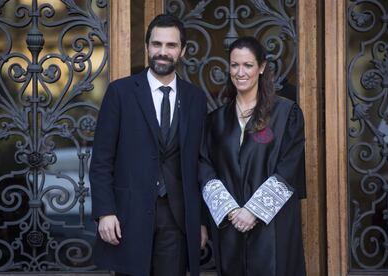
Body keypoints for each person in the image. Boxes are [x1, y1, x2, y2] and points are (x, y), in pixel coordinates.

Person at [90, 14, 208, 276]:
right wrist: (105, 211)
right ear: (146, 47)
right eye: (157, 44)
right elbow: (101, 159)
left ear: (183, 50)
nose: (162, 52)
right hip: (127, 215)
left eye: (171, 46)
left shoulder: (195, 99)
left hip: (176, 218)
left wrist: (200, 221)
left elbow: (200, 163)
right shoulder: (120, 92)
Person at [199, 37, 306, 276]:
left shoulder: (285, 114)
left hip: (273, 227)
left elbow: (290, 165)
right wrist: (231, 211)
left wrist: (254, 211)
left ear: (262, 67)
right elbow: (205, 165)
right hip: (231, 224)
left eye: (247, 65)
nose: (240, 72)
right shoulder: (216, 121)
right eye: (235, 65)